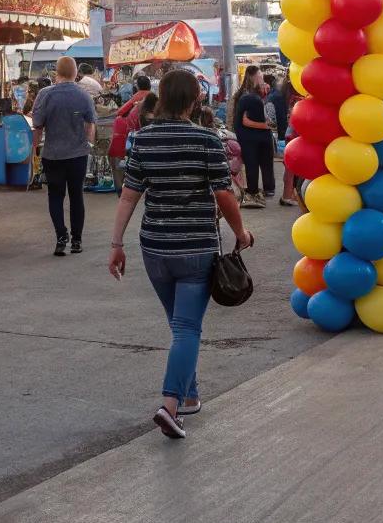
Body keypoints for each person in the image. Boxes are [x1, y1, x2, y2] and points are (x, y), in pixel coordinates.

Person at [108, 68, 252, 440]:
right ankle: (170, 405)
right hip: (196, 249)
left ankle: (189, 396)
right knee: (187, 328)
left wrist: (116, 243)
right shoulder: (205, 140)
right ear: (195, 99)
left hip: (154, 248)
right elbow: (224, 194)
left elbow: (129, 195)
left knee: (179, 326)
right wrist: (241, 232)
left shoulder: (143, 139)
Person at [31, 56, 97, 255]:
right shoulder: (83, 95)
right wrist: (88, 144)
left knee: (55, 196)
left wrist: (35, 150)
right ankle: (77, 240)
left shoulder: (45, 94)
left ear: (56, 73)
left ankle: (61, 237)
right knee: (77, 196)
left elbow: (38, 125)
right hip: (78, 155)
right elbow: (90, 125)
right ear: (75, 72)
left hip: (53, 155)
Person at [233, 66, 274, 208]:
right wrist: (266, 126)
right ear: (255, 77)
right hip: (252, 136)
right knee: (255, 163)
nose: (262, 78)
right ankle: (255, 191)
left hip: (248, 136)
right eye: (260, 75)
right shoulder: (248, 96)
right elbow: (245, 120)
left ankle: (255, 190)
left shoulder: (244, 94)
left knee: (253, 163)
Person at [108, 74, 154, 191]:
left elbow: (121, 111)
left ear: (137, 86)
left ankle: (123, 186)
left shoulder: (137, 97)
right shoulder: (154, 97)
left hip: (135, 138)